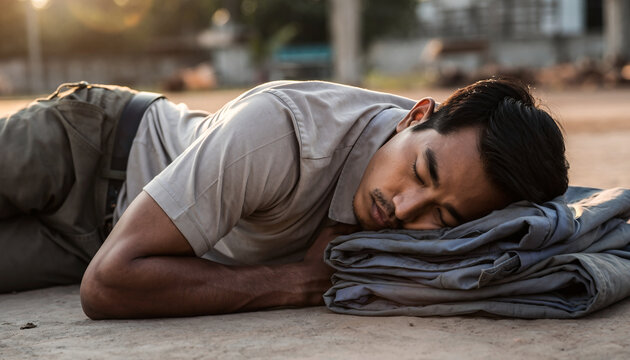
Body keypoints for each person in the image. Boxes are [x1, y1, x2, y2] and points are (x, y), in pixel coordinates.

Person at [0, 79, 568, 319]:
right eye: (420, 171)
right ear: (416, 116)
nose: (405, 208)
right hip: (85, 145)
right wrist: (294, 282)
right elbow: (108, 287)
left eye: (442, 216)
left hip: (99, 240)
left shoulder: (460, 173)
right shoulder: (283, 132)